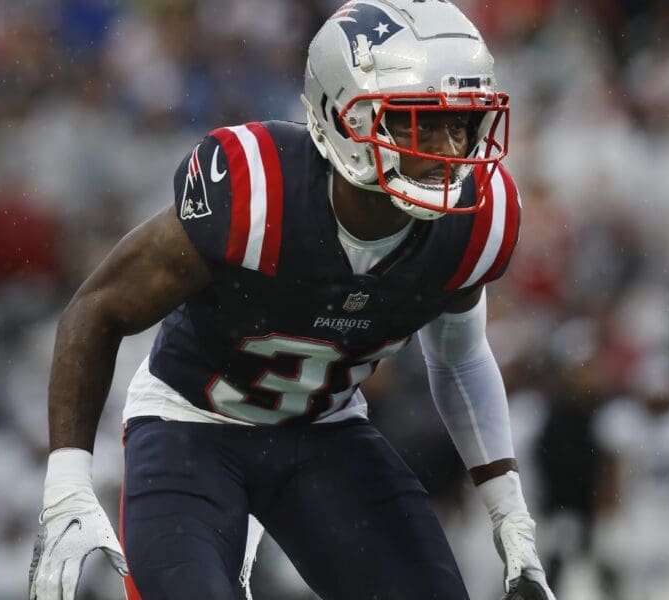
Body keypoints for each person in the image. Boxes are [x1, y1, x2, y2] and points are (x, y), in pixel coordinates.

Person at [28, 1, 555, 599]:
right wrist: (67, 482)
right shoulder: (257, 190)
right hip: (191, 428)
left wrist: (509, 515)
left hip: (323, 433)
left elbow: (460, 357)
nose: (447, 146)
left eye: (460, 123)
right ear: (343, 116)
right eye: (420, 121)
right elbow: (98, 306)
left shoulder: (476, 219)